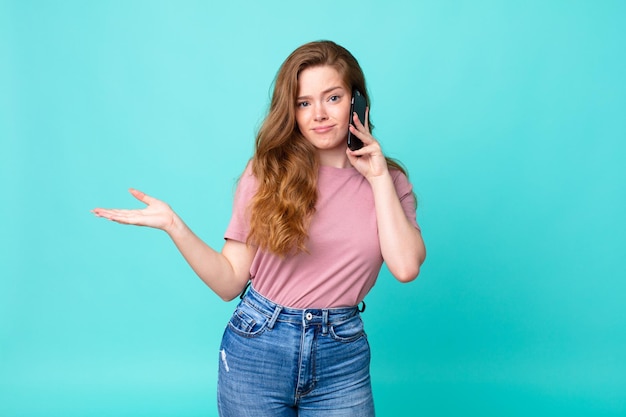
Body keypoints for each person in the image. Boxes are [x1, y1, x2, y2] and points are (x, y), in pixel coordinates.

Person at [93, 40, 426, 417]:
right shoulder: (267, 173)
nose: (318, 113)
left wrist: (378, 175)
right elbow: (230, 281)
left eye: (332, 98)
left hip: (341, 352)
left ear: (357, 101)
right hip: (259, 343)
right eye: (304, 103)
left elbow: (405, 267)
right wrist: (174, 226)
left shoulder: (391, 182)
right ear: (292, 111)